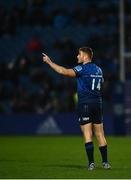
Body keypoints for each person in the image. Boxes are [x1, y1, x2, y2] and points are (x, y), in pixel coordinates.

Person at [42, 47, 111, 170]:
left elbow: (64, 71)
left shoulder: (81, 69)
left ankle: (91, 163)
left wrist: (49, 62)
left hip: (85, 103)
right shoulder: (99, 69)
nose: (77, 57)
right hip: (98, 103)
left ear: (85, 56)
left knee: (87, 134)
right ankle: (105, 162)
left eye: (79, 54)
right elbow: (102, 82)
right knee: (100, 134)